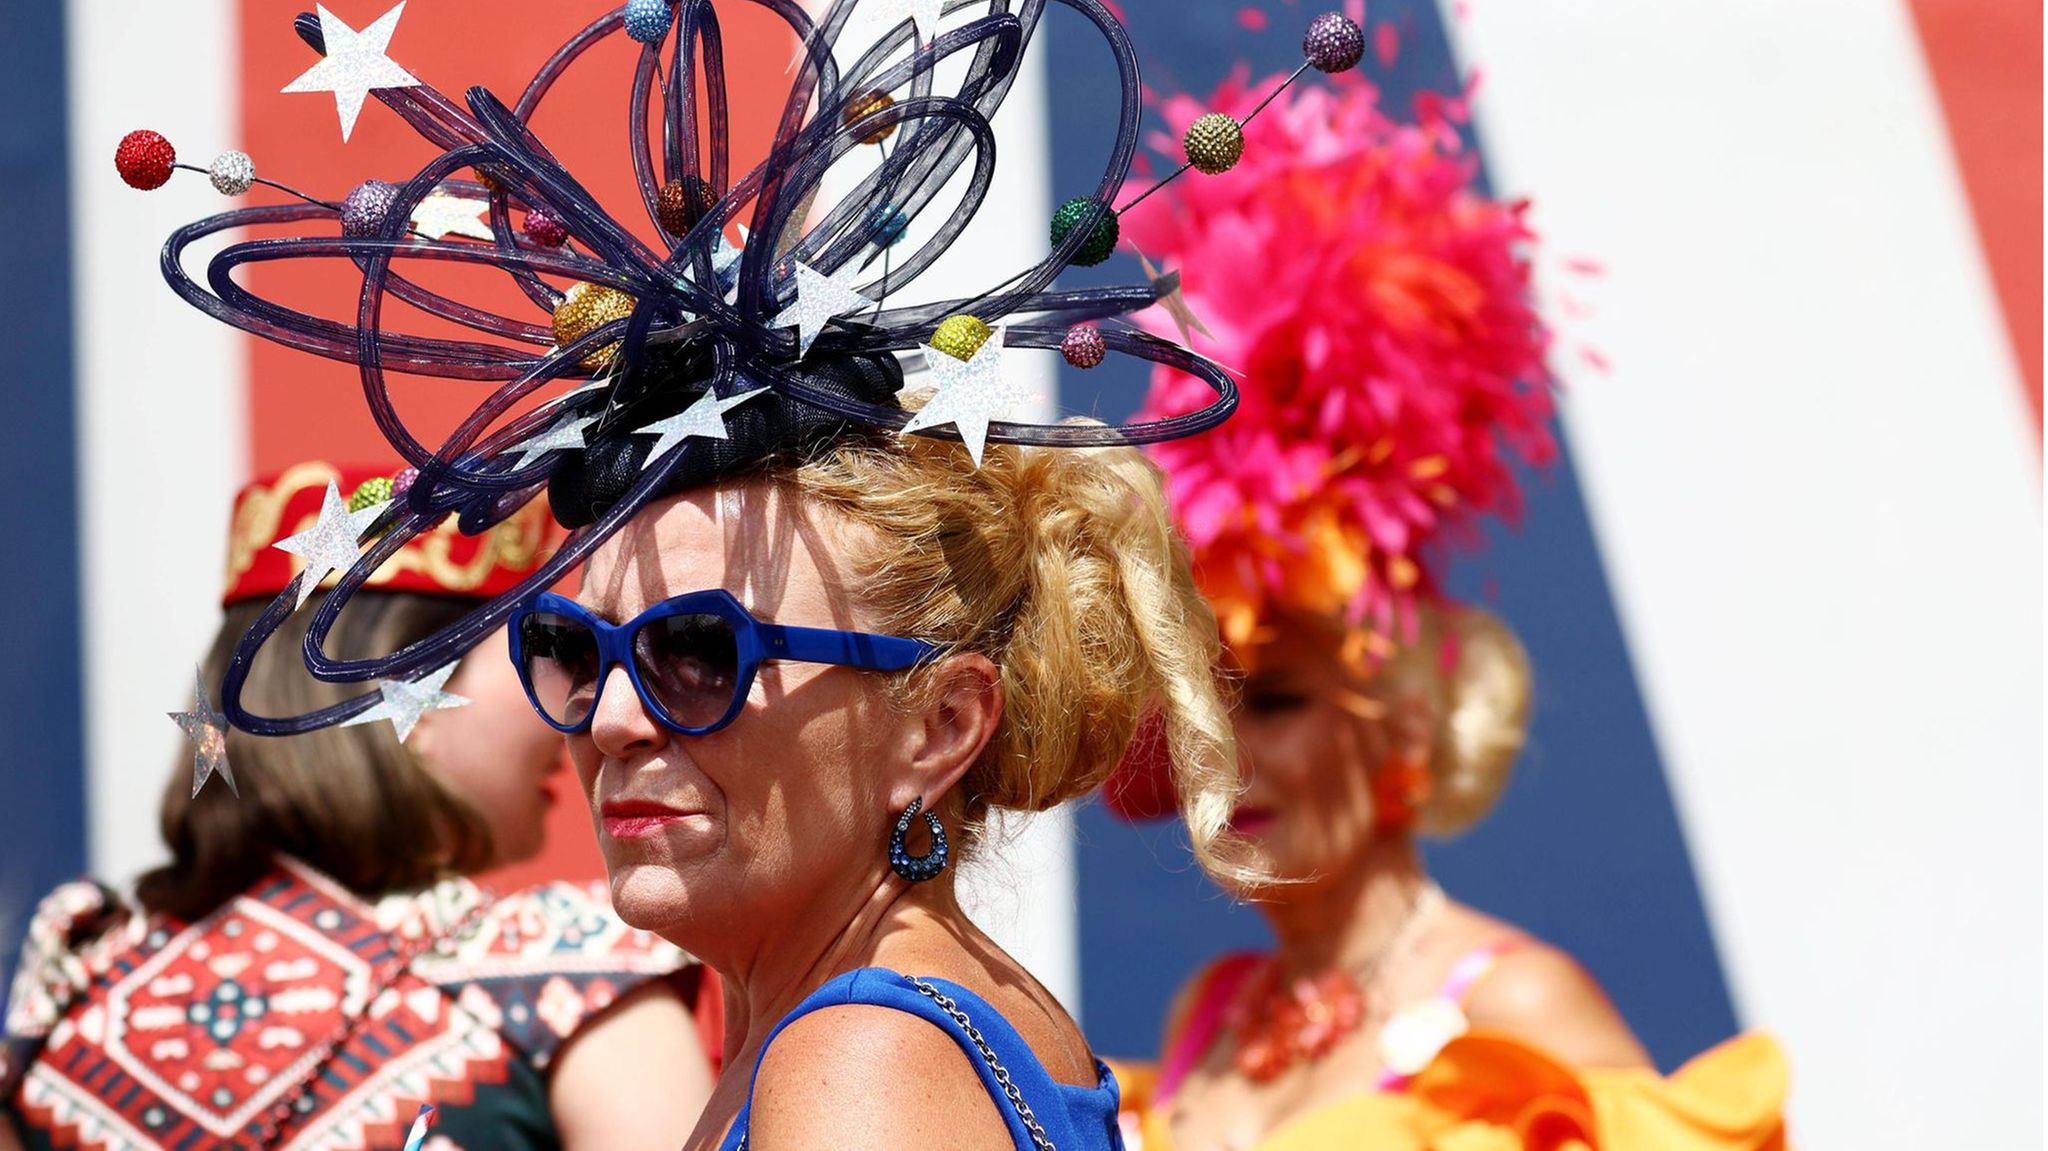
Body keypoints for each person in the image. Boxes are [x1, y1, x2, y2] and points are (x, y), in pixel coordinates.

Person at [1099, 73, 1791, 1150]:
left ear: (1407, 719)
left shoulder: (1512, 1007)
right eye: (1202, 702)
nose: (1224, 749)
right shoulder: (1210, 1014)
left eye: (1275, 697)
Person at [1, 463, 715, 1150]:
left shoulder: (69, 986)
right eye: (549, 649)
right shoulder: (568, 977)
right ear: (406, 686)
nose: (582, 703)